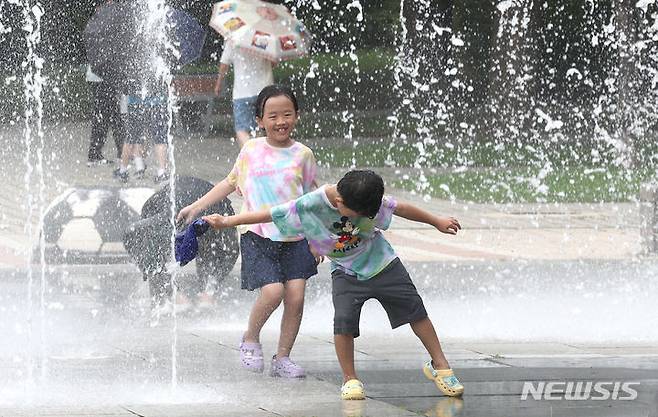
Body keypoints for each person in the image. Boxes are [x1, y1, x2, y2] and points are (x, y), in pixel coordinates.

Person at [201, 169, 465, 400]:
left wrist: (436, 221)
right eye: (359, 215)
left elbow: (401, 208)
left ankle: (440, 364)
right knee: (344, 324)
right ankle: (350, 379)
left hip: (384, 263)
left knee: (415, 311)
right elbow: (269, 214)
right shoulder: (310, 205)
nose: (365, 218)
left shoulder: (366, 197)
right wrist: (226, 221)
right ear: (339, 202)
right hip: (346, 271)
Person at [177, 84, 319, 378]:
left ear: (297, 116)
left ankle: (283, 358)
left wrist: (319, 239)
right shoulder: (251, 150)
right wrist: (195, 207)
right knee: (273, 292)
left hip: (296, 237)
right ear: (259, 120)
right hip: (257, 235)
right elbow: (229, 183)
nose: (281, 121)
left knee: (296, 296)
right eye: (273, 116)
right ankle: (251, 337)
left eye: (287, 114)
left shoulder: (303, 155)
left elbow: (312, 199)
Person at [215, 40, 274, 147]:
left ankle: (251, 154)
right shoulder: (265, 38)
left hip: (242, 92)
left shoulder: (233, 40)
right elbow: (273, 63)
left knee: (241, 129)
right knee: (264, 127)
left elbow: (224, 64)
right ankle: (262, 155)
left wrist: (219, 83)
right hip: (265, 91)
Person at [86, 64, 124, 166]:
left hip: (101, 78)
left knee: (110, 117)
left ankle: (121, 152)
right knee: (111, 117)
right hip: (103, 78)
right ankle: (95, 155)